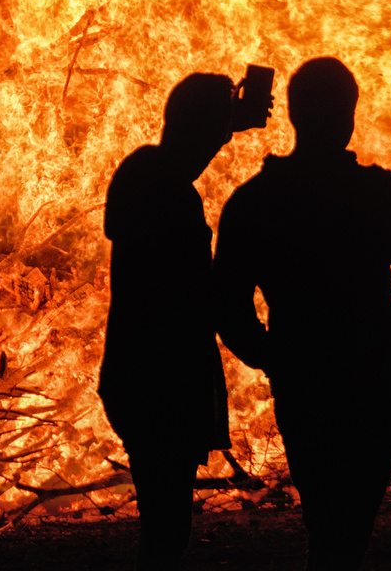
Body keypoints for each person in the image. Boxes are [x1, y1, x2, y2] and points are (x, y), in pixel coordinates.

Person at [212, 57, 391, 571]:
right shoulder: (376, 190)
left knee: (326, 513)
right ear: (350, 116)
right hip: (372, 373)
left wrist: (270, 355)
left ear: (291, 114)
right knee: (351, 520)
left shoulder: (255, 200)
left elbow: (227, 302)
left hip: (305, 376)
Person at [99, 71, 256, 569]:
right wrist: (266, 349)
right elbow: (201, 295)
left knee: (164, 523)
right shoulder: (165, 191)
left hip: (137, 374)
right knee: (167, 530)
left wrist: (227, 125)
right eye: (215, 130)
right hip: (159, 381)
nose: (217, 144)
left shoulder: (142, 173)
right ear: (198, 128)